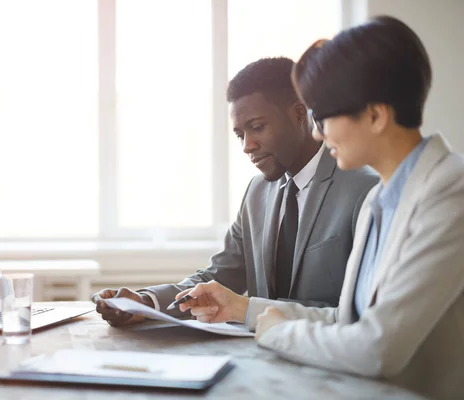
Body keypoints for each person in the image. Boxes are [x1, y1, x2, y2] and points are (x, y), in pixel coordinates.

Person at [175, 16, 464, 399]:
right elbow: (347, 322)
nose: (317, 132)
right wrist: (246, 309)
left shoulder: (451, 191)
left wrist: (280, 332)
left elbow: (378, 347)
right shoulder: (381, 199)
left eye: (324, 116)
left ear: (376, 115)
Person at [93, 57, 378, 326]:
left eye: (257, 128)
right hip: (261, 355)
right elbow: (221, 276)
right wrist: (146, 304)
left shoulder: (364, 190)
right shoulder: (257, 192)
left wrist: (247, 310)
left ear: (298, 114)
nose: (247, 146)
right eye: (240, 134)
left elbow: (360, 315)